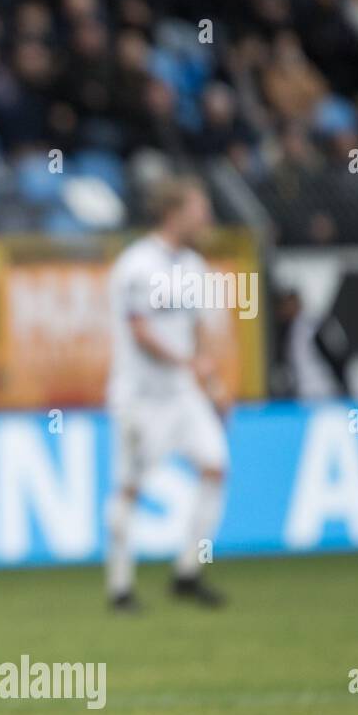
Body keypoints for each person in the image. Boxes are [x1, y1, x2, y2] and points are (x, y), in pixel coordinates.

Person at [104, 176, 229, 611]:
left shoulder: (194, 266)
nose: (206, 218)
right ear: (175, 213)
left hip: (181, 395)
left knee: (215, 466)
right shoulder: (137, 265)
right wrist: (188, 364)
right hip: (139, 396)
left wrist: (211, 384)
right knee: (130, 487)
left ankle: (188, 571)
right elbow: (140, 332)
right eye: (199, 209)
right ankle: (120, 587)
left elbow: (197, 331)